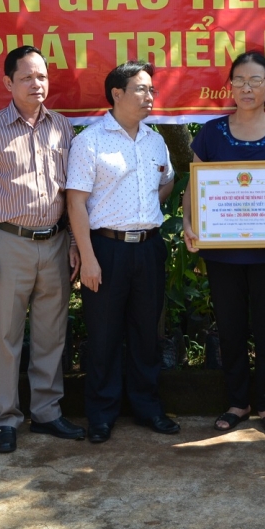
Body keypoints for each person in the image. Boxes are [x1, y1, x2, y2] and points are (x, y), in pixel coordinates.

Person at [181, 51, 265, 435]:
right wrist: (189, 223)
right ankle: (238, 401)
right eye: (240, 80)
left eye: (256, 80)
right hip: (222, 252)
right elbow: (194, 189)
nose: (247, 88)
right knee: (231, 327)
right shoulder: (211, 132)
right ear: (230, 86)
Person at [0, 46, 85, 454]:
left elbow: (72, 194)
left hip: (54, 243)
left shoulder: (62, 128)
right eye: (27, 78)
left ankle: (48, 413)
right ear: (7, 83)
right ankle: (6, 418)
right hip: (9, 244)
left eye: (42, 77)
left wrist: (73, 243)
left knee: (52, 334)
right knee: (7, 336)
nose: (37, 85)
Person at [66, 61, 177, 444]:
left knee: (147, 334)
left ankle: (148, 408)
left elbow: (166, 183)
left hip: (148, 249)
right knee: (103, 336)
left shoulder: (154, 140)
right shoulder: (90, 141)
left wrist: (145, 210)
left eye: (152, 90)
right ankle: (101, 414)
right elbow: (76, 203)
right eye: (142, 89)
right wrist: (88, 257)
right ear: (117, 93)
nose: (150, 97)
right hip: (106, 250)